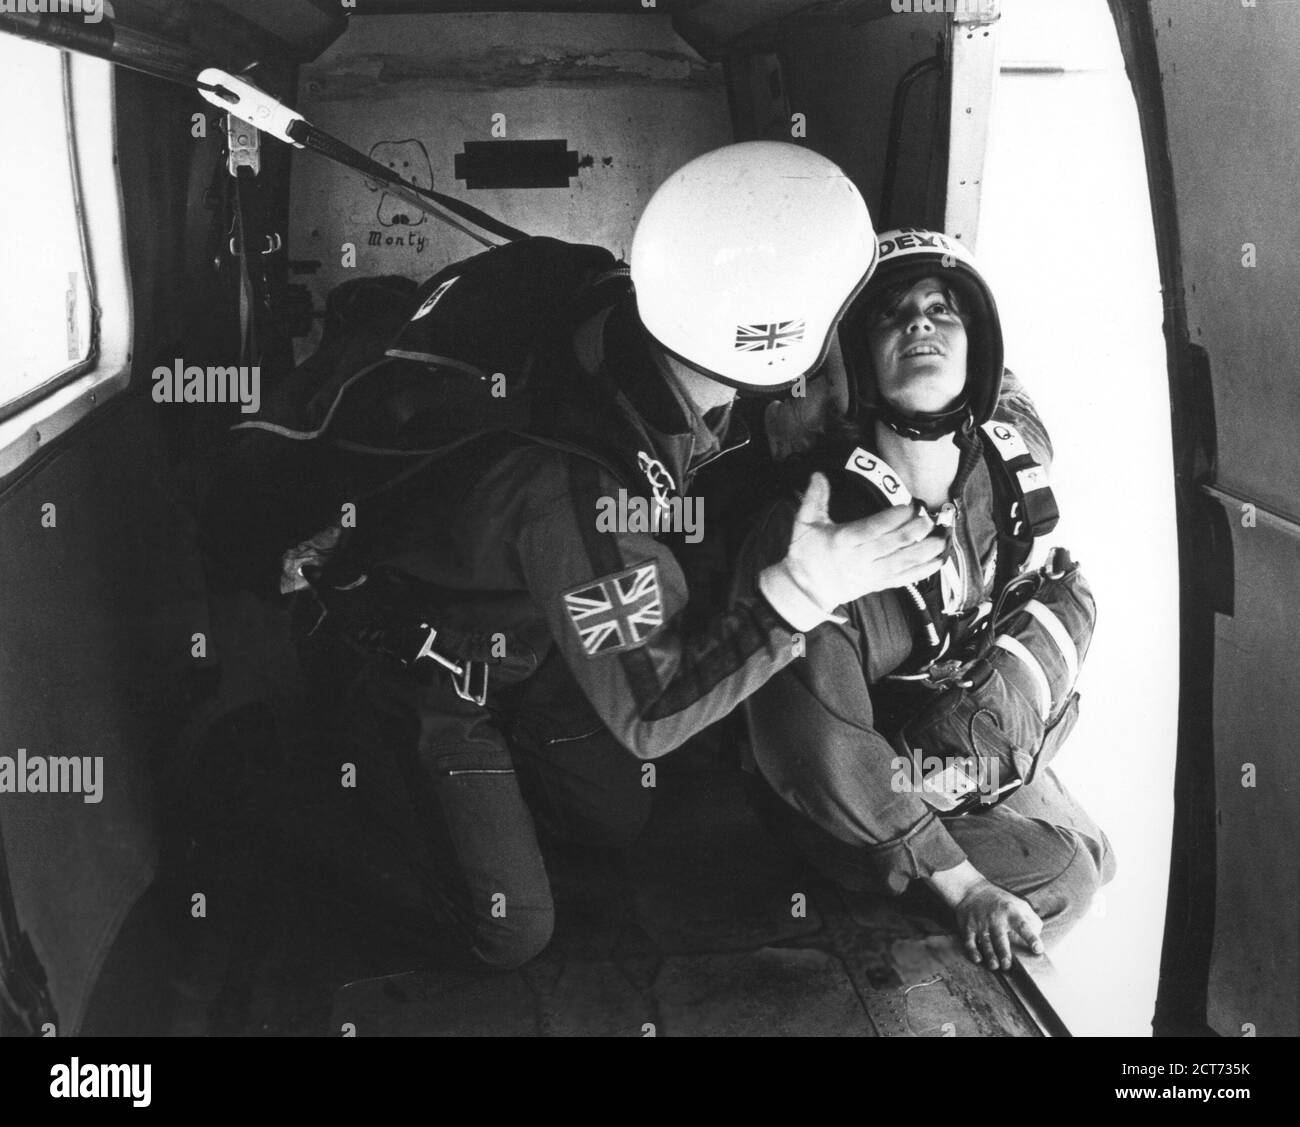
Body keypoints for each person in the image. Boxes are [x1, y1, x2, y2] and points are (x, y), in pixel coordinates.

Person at [279, 143, 951, 970]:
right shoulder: (584, 496)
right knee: (511, 927)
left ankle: (487, 795)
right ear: (781, 347)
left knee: (614, 818)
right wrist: (801, 592)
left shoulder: (611, 302)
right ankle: (273, 784)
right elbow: (654, 712)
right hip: (422, 672)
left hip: (527, 636)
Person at [732, 228, 1116, 972]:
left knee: (1100, 855)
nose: (920, 323)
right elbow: (816, 750)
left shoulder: (1010, 459)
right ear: (857, 360)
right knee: (1063, 877)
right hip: (845, 788)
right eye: (891, 315)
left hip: (952, 743)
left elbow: (1003, 381)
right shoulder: (815, 531)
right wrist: (964, 883)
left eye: (944, 310)